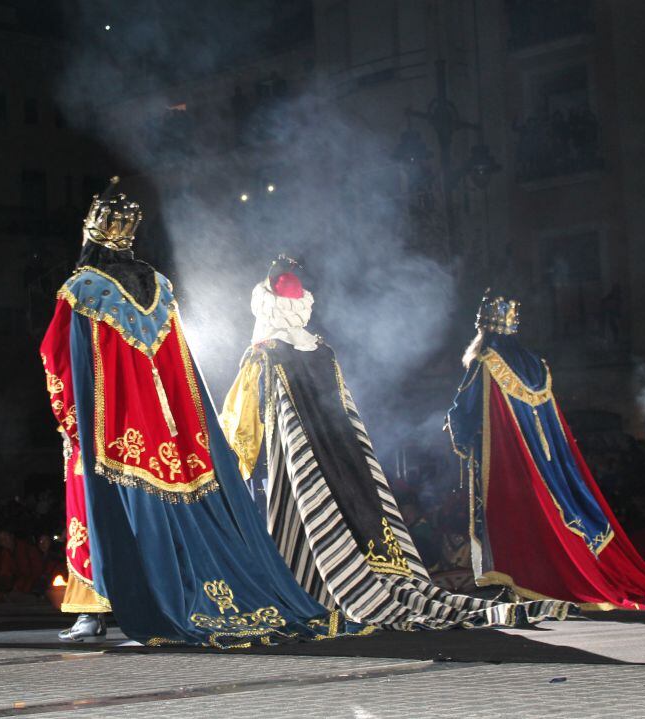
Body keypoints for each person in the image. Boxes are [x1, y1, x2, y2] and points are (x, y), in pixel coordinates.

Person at [40, 180, 366, 646]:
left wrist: (72, 420)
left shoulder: (82, 289)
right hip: (174, 431)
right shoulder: (160, 286)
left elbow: (63, 358)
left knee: (93, 506)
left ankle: (96, 612)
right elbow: (179, 368)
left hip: (113, 430)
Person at [222, 259, 569, 629]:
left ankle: (312, 583)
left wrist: (234, 460)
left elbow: (240, 426)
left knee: (308, 525)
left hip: (301, 461)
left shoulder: (265, 352)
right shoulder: (322, 350)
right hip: (347, 460)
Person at [447, 290, 645, 609]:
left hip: (509, 464)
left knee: (517, 519)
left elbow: (465, 410)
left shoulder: (486, 361)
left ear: (483, 329)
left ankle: (522, 581)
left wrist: (457, 431)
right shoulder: (536, 364)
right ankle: (535, 580)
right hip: (549, 465)